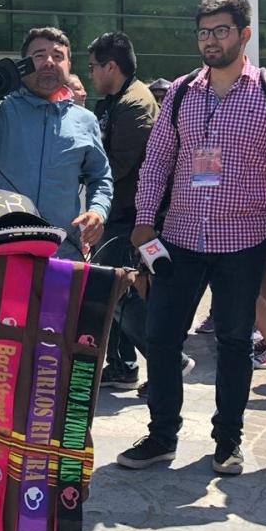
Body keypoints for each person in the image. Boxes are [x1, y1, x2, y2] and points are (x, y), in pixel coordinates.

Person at [117, 0, 266, 476]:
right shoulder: (182, 91)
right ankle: (162, 435)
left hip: (244, 240)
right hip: (181, 237)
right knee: (162, 337)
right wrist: (145, 218)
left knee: (233, 340)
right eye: (204, 32)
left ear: (244, 34)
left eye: (221, 31)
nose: (211, 40)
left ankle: (228, 439)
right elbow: (158, 159)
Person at [0, 26, 113, 259]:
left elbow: (100, 176)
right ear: (24, 64)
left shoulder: (86, 120)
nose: (49, 62)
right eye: (39, 55)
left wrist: (98, 211)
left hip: (62, 253)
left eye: (58, 56)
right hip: (2, 250)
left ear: (69, 65)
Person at [88, 32, 159, 391]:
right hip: (117, 212)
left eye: (93, 67)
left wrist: (82, 175)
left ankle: (167, 360)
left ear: (111, 67)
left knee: (120, 290)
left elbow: (116, 165)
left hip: (131, 215)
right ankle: (122, 366)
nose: (90, 74)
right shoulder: (116, 101)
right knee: (111, 291)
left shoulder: (135, 104)